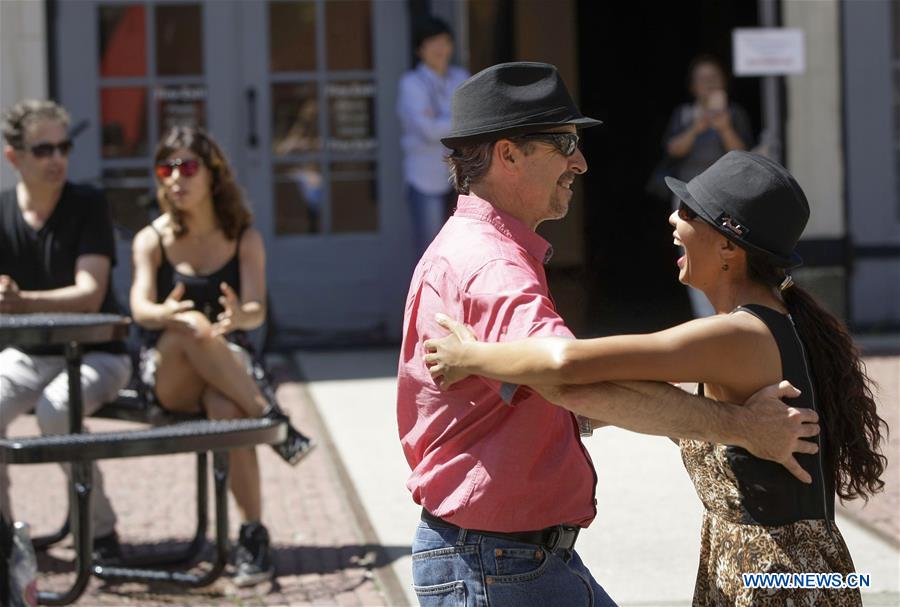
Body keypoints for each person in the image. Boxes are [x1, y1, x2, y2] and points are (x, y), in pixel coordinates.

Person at [397, 62, 821, 607]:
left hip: (506, 560)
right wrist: (743, 427)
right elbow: (567, 374)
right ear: (507, 154)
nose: (581, 161)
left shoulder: (474, 250)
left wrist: (476, 358)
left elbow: (566, 377)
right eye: (564, 142)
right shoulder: (493, 266)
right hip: (498, 562)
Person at [424, 151, 887, 605]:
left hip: (779, 582)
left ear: (729, 246)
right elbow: (668, 412)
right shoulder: (765, 326)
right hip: (775, 573)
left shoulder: (736, 335)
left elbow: (568, 361)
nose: (672, 220)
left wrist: (472, 356)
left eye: (688, 212)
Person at [130, 126, 313, 586]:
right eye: (167, 168)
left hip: (227, 376)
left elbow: (256, 310)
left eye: (188, 166)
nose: (177, 178)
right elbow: (138, 306)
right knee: (191, 326)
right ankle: (274, 421)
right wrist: (165, 312)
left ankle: (251, 535)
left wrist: (238, 315)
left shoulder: (243, 237)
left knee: (225, 411)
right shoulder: (152, 238)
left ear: (213, 175)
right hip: (170, 374)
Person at [0, 99, 129, 563]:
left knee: (57, 411)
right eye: (43, 149)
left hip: (99, 352)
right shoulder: (1, 212)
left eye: (64, 146)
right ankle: (5, 544)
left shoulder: (88, 203)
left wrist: (20, 302)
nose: (57, 158)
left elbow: (90, 294)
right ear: (13, 156)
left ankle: (100, 531)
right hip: (29, 354)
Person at [663, 55, 754, 318]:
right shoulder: (684, 114)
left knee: (731, 256)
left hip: (728, 198)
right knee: (693, 257)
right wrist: (696, 127)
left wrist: (724, 128)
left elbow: (744, 155)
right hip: (689, 196)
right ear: (692, 87)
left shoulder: (734, 113)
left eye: (714, 79)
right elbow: (672, 149)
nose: (709, 85)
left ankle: (732, 315)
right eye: (703, 80)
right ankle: (707, 319)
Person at [397, 16, 469, 257]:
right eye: (433, 43)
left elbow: (474, 120)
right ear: (420, 49)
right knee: (431, 251)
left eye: (445, 42)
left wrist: (439, 118)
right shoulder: (411, 83)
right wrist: (456, 118)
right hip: (423, 177)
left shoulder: (461, 77)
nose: (441, 49)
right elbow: (428, 132)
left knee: (463, 246)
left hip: (461, 176)